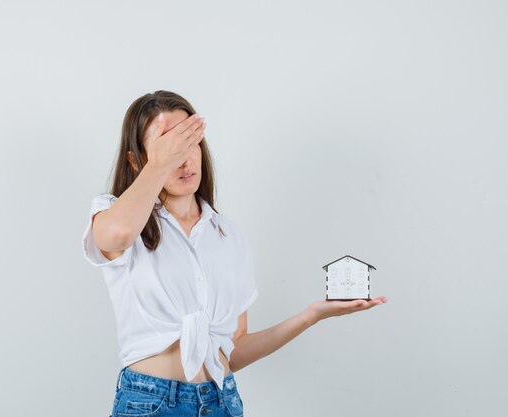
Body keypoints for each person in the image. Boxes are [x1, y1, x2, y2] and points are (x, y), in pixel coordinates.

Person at [82, 90, 388, 417]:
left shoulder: (228, 236)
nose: (184, 160)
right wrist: (158, 164)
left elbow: (233, 350)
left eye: (190, 142)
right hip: (151, 401)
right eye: (168, 147)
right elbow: (118, 234)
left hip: (221, 402)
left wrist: (311, 315)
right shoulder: (114, 215)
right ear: (137, 160)